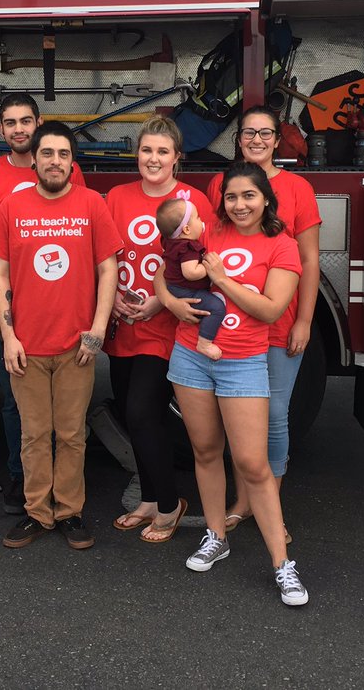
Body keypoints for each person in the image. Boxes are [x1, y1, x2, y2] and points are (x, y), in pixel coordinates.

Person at [158, 163, 308, 606]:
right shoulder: (208, 234)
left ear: (266, 199)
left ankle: (283, 565)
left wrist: (222, 279)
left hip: (243, 362)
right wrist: (171, 303)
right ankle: (216, 535)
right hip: (190, 355)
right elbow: (163, 271)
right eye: (231, 197)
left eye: (248, 196)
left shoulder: (282, 246)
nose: (239, 205)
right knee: (205, 451)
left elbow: (271, 310)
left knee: (252, 464)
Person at [0, 122, 121, 551]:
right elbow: (0, 271)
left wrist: (98, 330)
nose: (55, 162)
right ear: (35, 159)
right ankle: (36, 512)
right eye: (47, 153)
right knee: (33, 434)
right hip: (26, 344)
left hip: (75, 346)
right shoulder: (13, 206)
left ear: (72, 161)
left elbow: (108, 270)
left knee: (70, 434)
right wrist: (9, 335)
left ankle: (69, 512)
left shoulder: (91, 205)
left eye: (63, 154)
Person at [0, 93, 86, 515]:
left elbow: (81, 236)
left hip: (59, 314)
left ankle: (61, 490)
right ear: (1, 131)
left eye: (26, 121)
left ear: (39, 125)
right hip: (8, 314)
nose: (19, 129)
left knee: (64, 415)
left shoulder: (67, 170)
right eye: (10, 122)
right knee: (18, 403)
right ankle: (23, 480)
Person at [207, 107, 320, 541]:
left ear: (278, 140)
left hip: (276, 322)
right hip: (230, 326)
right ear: (239, 139)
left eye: (265, 133)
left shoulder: (297, 188)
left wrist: (305, 320)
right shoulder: (221, 183)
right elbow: (211, 243)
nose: (256, 139)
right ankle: (243, 501)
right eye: (248, 132)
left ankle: (269, 500)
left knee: (273, 416)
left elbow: (308, 260)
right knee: (237, 422)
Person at [105, 116, 202, 543]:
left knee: (145, 412)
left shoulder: (192, 201)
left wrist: (159, 301)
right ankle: (146, 498)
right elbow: (103, 255)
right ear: (137, 153)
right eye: (147, 150)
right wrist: (111, 299)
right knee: (132, 415)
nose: (154, 159)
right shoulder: (116, 197)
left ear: (177, 158)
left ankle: (168, 503)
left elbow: (204, 266)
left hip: (166, 327)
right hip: (123, 324)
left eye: (163, 151)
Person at [156, 198, 226, 361]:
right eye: (198, 217)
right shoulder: (188, 248)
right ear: (186, 229)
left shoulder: (172, 242)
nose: (201, 221)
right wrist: (208, 267)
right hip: (186, 290)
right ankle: (204, 343)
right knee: (217, 307)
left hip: (175, 287)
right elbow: (190, 273)